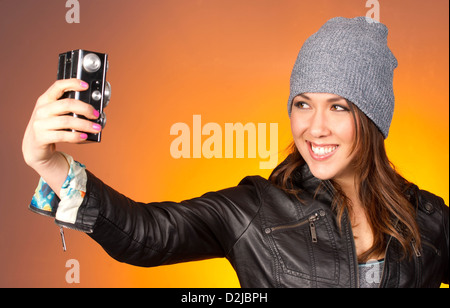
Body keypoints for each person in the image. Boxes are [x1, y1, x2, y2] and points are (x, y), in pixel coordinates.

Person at [22, 17, 448, 288]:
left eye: (338, 106)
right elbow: (146, 235)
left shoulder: (429, 219)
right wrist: (50, 163)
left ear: (372, 117)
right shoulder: (255, 209)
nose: (314, 127)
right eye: (303, 103)